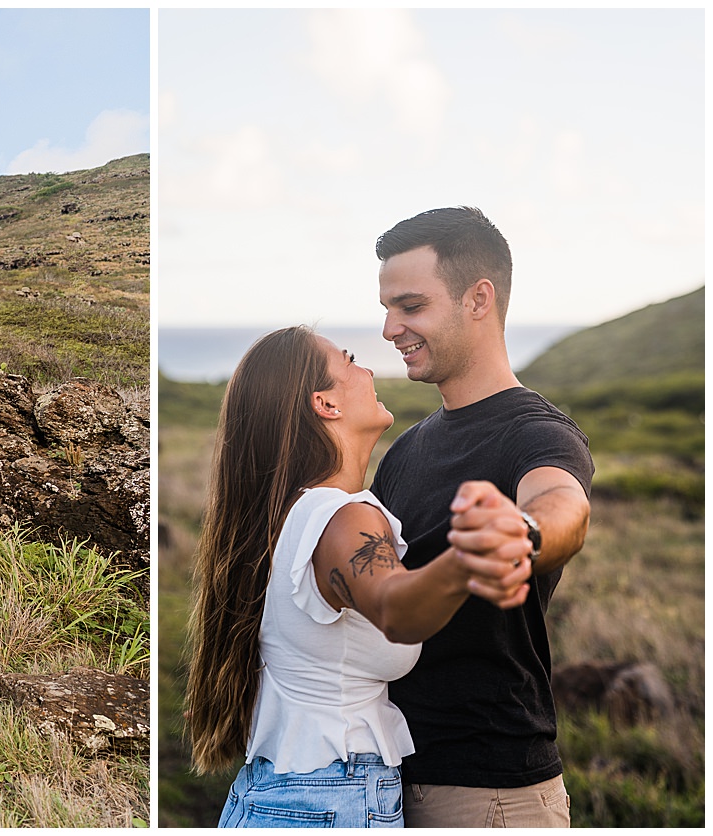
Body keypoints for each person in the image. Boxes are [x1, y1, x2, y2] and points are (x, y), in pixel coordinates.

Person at [186, 325, 536, 828]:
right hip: (329, 798)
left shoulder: (288, 513)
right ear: (325, 404)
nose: (368, 368)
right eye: (349, 360)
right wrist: (470, 557)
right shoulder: (343, 517)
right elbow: (394, 606)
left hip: (286, 793)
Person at [372, 207, 594, 827]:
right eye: (387, 308)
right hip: (388, 781)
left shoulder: (538, 432)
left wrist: (520, 534)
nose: (390, 328)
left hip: (489, 794)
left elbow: (563, 507)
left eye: (411, 306)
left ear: (479, 299)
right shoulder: (405, 450)